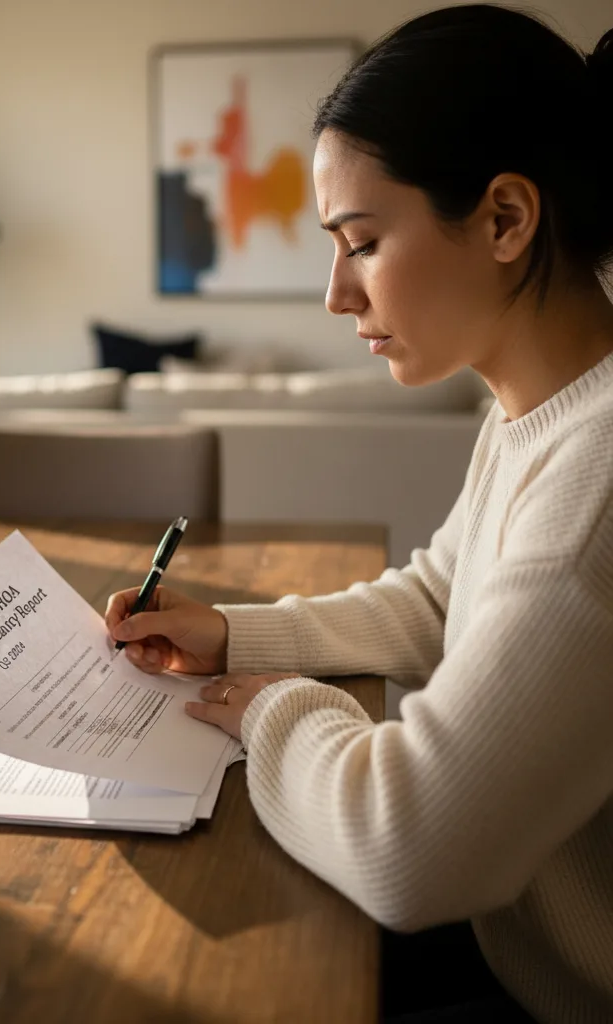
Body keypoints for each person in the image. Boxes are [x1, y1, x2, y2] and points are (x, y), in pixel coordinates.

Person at [106, 6, 613, 1022]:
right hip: (504, 944)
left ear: (507, 219)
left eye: (364, 243)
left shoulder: (597, 486)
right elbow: (439, 599)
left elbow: (410, 844)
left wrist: (269, 707)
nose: (337, 294)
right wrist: (233, 635)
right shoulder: (535, 413)